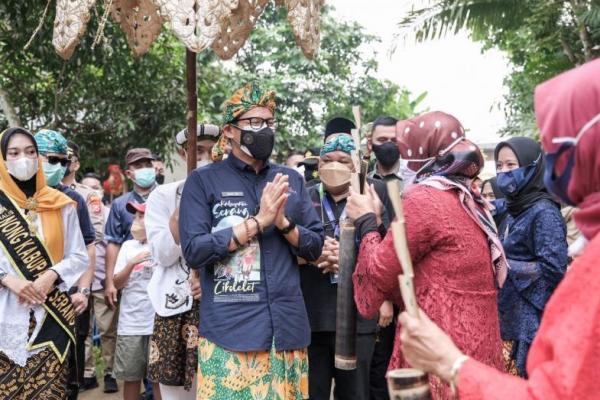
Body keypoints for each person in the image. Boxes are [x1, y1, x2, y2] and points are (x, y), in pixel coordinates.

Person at [395, 58, 600, 400]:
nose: (553, 160)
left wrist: (451, 364)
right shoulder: (498, 207)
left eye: (558, 147)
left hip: (526, 318)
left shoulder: (549, 218)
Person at [346, 111, 507, 398]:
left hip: (440, 345)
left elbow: (382, 271)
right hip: (476, 346)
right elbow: (416, 263)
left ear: (425, 154)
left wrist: (367, 220)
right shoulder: (467, 196)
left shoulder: (425, 198)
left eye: (406, 152)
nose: (403, 161)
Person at [179, 83, 323, 399]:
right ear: (230, 131)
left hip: (287, 333)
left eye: (269, 123)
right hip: (231, 333)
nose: (265, 130)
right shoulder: (203, 182)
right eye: (255, 123)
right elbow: (194, 251)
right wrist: (257, 222)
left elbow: (315, 246)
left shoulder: (291, 179)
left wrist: (284, 223)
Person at [301, 131, 392, 400]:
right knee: (312, 391)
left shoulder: (373, 193)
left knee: (355, 392)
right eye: (327, 160)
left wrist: (349, 257)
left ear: (355, 166)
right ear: (318, 166)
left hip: (359, 317)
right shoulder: (305, 196)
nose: (334, 166)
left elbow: (389, 249)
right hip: (312, 315)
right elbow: (287, 243)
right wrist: (315, 253)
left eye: (343, 160)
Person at [0, 127, 88, 399]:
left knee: (49, 393)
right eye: (13, 153)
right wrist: (7, 279)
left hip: (50, 318)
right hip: (5, 317)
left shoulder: (61, 204)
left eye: (30, 152)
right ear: (2, 159)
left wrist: (52, 274)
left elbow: (78, 255)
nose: (23, 159)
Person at [145, 124, 218, 400]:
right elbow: (162, 254)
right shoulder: (162, 196)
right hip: (175, 308)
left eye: (213, 152)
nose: (205, 158)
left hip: (221, 305)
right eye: (198, 151)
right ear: (182, 152)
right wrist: (184, 208)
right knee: (177, 393)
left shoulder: (231, 195)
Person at [493, 137, 568, 377]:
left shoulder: (544, 212)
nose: (503, 172)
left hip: (532, 320)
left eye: (511, 165)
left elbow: (554, 269)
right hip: (509, 314)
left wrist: (506, 266)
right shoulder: (516, 207)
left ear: (533, 165)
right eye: (499, 165)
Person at [34, 129, 96, 398]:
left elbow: (88, 247)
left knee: (66, 367)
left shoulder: (73, 200)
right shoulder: (8, 197)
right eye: (51, 159)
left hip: (66, 296)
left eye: (62, 161)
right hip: (19, 299)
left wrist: (83, 290)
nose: (58, 167)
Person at [112, 202, 160, 400]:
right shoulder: (127, 246)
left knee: (159, 378)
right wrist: (132, 263)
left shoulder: (164, 244)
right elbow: (117, 283)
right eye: (135, 217)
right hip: (131, 324)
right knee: (131, 378)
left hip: (158, 322)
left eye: (140, 217)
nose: (135, 222)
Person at [80, 173, 120, 393]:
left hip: (104, 281)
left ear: (103, 191)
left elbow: (113, 249)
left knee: (107, 331)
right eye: (88, 188)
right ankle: (87, 373)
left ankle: (109, 373)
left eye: (96, 187)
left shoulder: (109, 214)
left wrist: (110, 280)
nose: (93, 192)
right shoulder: (75, 211)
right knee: (83, 332)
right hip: (81, 283)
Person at [104, 148, 157, 310]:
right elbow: (113, 243)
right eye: (139, 166)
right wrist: (109, 282)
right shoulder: (120, 204)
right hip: (130, 278)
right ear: (129, 174)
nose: (145, 169)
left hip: (161, 274)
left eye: (148, 164)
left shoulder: (167, 195)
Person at [367, 116, 404, 182]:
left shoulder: (413, 180)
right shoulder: (364, 183)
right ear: (370, 144)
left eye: (395, 140)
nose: (388, 146)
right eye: (382, 140)